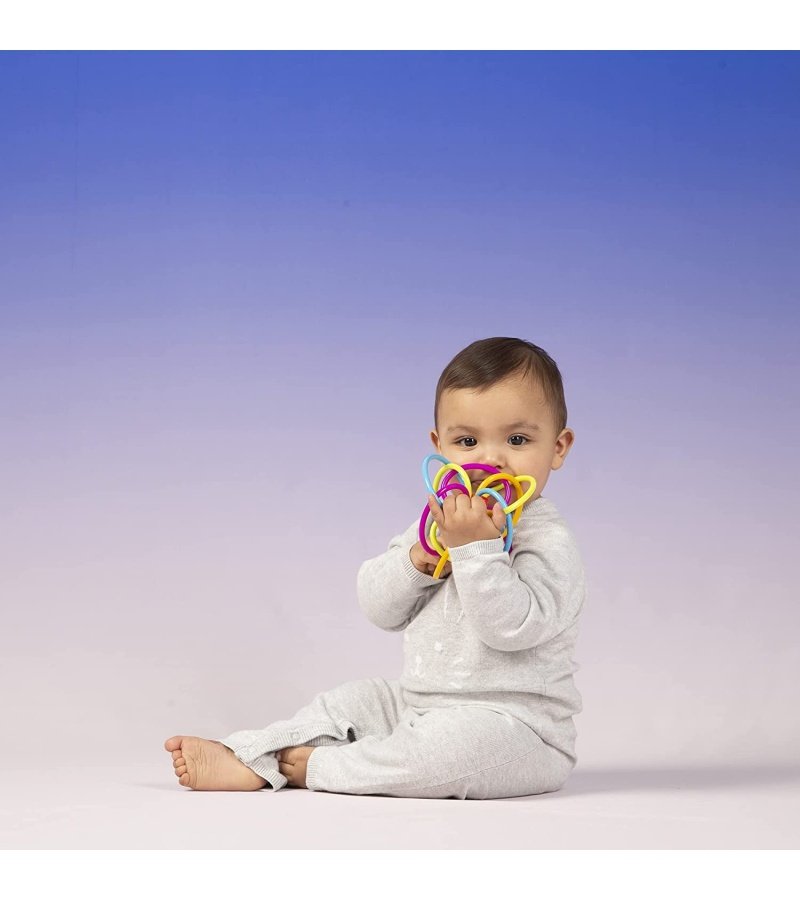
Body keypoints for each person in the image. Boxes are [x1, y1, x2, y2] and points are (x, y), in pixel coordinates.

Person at [164, 336, 586, 800]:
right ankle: (252, 757)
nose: (489, 459)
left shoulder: (549, 540)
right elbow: (380, 610)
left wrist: (477, 550)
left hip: (518, 728)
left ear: (558, 447)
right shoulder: (435, 525)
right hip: (417, 705)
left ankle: (319, 768)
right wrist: (419, 561)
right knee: (350, 702)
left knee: (442, 756)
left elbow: (513, 630)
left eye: (517, 440)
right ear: (439, 446)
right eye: (467, 441)